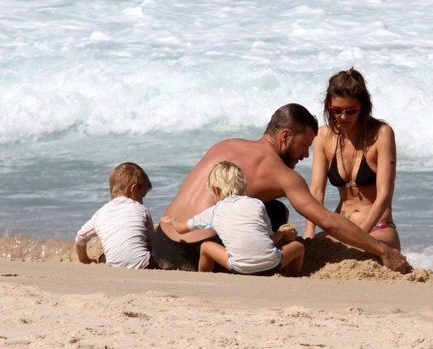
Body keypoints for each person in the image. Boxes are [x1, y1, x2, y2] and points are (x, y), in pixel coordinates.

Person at [153, 103, 408, 273]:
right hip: (195, 255)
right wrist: (383, 250)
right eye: (304, 145)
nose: (306, 155)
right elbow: (328, 221)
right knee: (275, 214)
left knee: (266, 207)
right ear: (285, 136)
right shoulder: (283, 175)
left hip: (161, 242)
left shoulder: (226, 144)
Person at [303, 68, 401, 251]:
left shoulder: (381, 134)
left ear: (363, 107)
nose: (343, 116)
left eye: (351, 111)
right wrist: (309, 233)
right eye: (337, 110)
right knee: (305, 251)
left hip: (377, 228)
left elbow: (384, 195)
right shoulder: (323, 136)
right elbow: (316, 192)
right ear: (328, 106)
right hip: (343, 227)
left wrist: (359, 238)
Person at [172, 161, 304, 276]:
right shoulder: (257, 204)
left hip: (240, 268)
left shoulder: (214, 211)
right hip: (272, 265)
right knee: (299, 247)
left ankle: (204, 276)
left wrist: (173, 221)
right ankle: (290, 276)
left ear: (216, 190)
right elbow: (268, 239)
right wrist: (280, 233)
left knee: (206, 247)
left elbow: (181, 229)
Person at [75, 162, 156, 269]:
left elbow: (80, 238)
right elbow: (153, 243)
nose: (142, 201)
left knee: (103, 258)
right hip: (144, 264)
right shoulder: (141, 209)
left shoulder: (100, 213)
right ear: (133, 189)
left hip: (114, 266)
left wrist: (84, 260)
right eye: (142, 196)